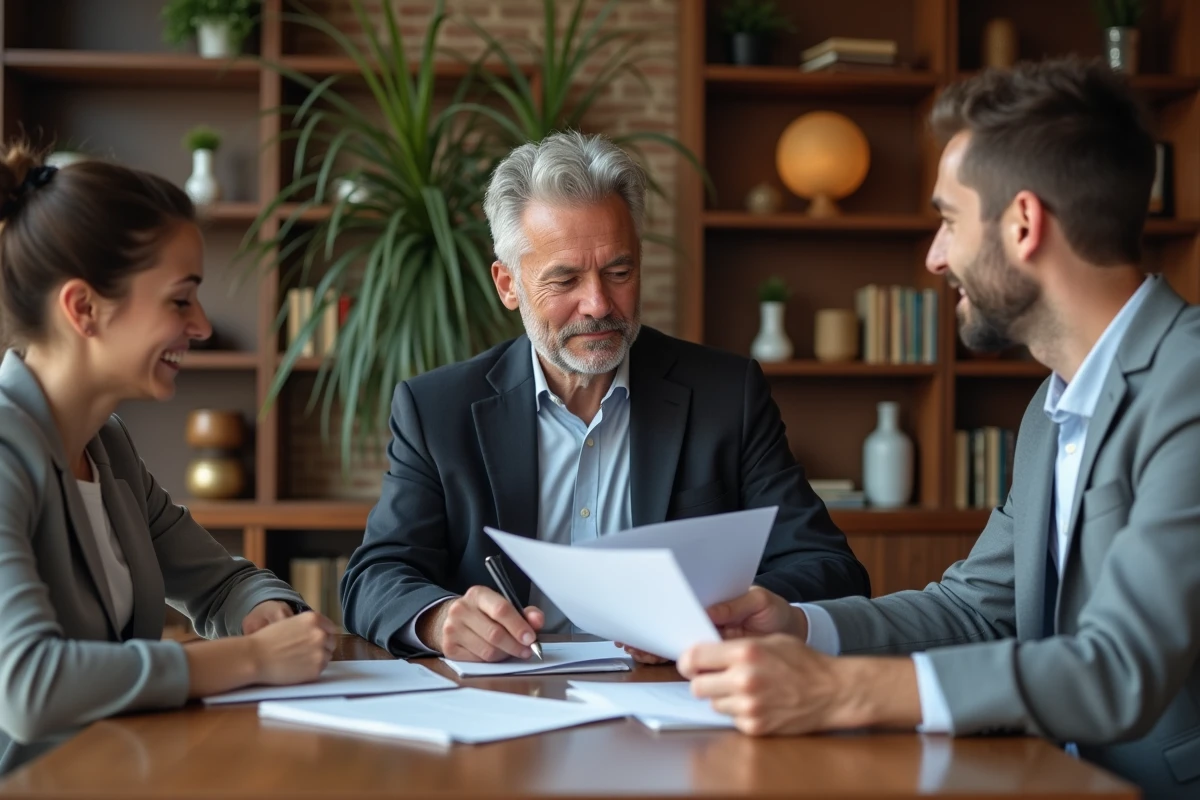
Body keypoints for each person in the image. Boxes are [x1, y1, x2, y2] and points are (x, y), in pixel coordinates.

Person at [675, 57, 1200, 799]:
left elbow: (1119, 667)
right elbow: (972, 608)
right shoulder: (1054, 407)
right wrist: (799, 627)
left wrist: (842, 690)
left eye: (949, 220)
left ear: (1024, 224)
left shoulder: (1190, 382)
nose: (934, 256)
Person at [341, 130, 871, 662]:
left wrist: (723, 616)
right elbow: (374, 577)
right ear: (508, 285)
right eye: (565, 280)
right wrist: (438, 619)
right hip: (509, 701)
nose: (597, 304)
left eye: (619, 272)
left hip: (675, 692)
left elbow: (829, 567)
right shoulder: (437, 409)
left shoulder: (725, 395)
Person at [0, 144, 338, 772]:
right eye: (180, 300)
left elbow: (223, 581)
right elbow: (28, 686)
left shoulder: (108, 446)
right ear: (83, 308)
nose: (204, 325)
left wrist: (263, 615)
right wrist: (253, 660)